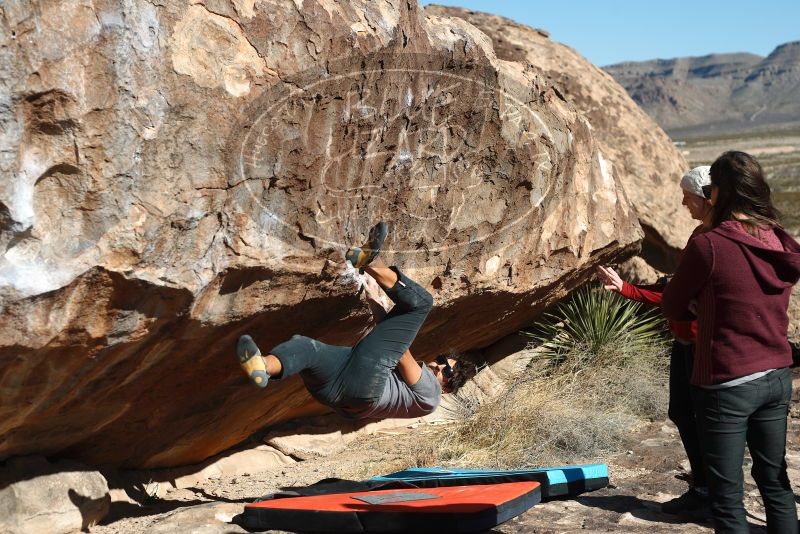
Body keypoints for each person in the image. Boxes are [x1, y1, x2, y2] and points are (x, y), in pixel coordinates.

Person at [662, 151, 800, 533]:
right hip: (775, 374)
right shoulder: (778, 239)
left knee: (726, 496)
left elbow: (673, 304)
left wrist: (700, 306)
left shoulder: (710, 245)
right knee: (775, 482)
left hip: (726, 379)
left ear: (718, 192)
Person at [235, 221, 475, 420]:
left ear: (446, 388)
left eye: (447, 372)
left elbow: (398, 351)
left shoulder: (431, 395)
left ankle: (370, 261)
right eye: (443, 360)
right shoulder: (414, 398)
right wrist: (374, 300)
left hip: (366, 385)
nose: (440, 366)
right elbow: (388, 344)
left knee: (422, 303)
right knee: (305, 348)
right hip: (335, 394)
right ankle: (263, 367)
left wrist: (381, 304)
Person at [596, 165, 713, 514]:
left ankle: (711, 487)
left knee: (702, 415)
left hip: (700, 345)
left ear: (706, 198)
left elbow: (682, 298)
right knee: (682, 410)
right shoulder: (699, 235)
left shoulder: (712, 240)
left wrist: (629, 290)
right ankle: (706, 483)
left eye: (688, 198)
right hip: (684, 341)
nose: (683, 203)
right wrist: (632, 289)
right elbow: (678, 292)